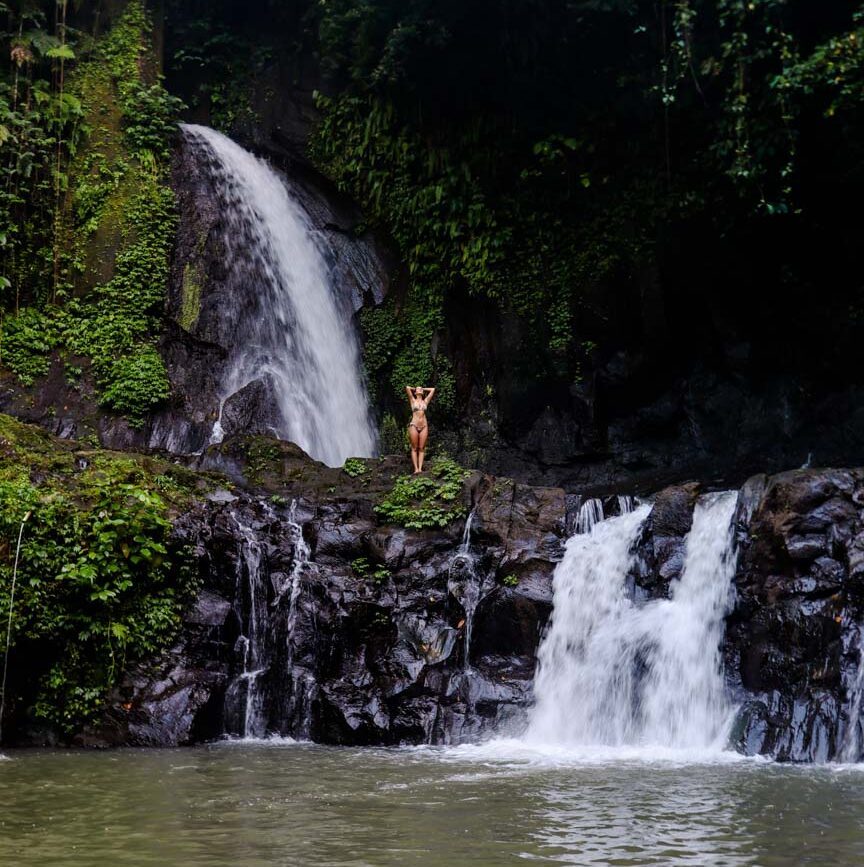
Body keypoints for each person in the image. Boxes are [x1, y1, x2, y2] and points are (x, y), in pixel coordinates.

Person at [405, 385, 435, 474]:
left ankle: (420, 468)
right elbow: (407, 387)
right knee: (414, 448)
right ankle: (416, 469)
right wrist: (415, 389)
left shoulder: (425, 401)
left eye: (421, 389)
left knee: (421, 448)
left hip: (424, 426)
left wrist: (423, 389)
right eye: (418, 388)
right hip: (414, 425)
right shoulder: (412, 400)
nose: (420, 389)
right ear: (414, 392)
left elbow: (433, 389)